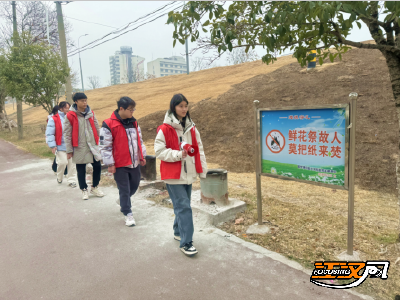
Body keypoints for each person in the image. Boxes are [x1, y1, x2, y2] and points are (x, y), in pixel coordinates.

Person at [154, 93, 207, 256]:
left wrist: (202, 170)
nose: (184, 109)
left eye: (186, 106)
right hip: (173, 175)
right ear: (173, 107)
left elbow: (199, 149)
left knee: (182, 206)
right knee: (184, 207)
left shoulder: (191, 127)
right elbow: (159, 151)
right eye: (180, 106)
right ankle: (186, 242)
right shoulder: (164, 129)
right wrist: (178, 154)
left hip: (188, 174)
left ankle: (178, 232)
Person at [99, 96, 147, 226]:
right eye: (130, 109)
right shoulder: (108, 124)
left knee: (135, 185)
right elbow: (105, 146)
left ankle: (123, 200)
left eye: (133, 109)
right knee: (124, 189)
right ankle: (128, 213)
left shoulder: (134, 123)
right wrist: (110, 164)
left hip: (134, 162)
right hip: (119, 164)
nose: (133, 112)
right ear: (121, 108)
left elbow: (139, 141)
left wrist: (142, 156)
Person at [64, 92, 104, 200]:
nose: (85, 102)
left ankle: (94, 187)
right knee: (80, 169)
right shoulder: (70, 115)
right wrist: (69, 150)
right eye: (82, 101)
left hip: (92, 145)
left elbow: (97, 128)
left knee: (97, 166)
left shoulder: (91, 113)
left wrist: (100, 143)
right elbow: (67, 134)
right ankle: (84, 189)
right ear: (76, 102)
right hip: (79, 146)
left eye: (86, 100)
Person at [46, 104, 68, 177]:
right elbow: (50, 132)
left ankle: (70, 178)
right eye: (65, 108)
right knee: (61, 160)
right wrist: (52, 144)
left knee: (68, 162)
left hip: (67, 144)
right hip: (58, 143)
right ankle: (57, 171)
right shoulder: (53, 119)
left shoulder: (68, 117)